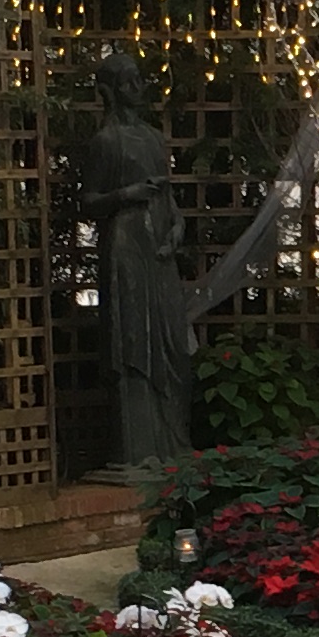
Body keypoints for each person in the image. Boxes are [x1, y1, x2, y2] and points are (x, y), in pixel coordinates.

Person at [82, 45, 192, 466]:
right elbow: (88, 201)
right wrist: (125, 194)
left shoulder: (152, 137)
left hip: (159, 248)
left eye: (140, 78)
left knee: (170, 342)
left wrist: (178, 226)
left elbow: (169, 195)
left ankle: (172, 443)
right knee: (133, 340)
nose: (138, 87)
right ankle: (138, 448)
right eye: (128, 80)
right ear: (110, 90)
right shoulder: (105, 140)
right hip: (126, 247)